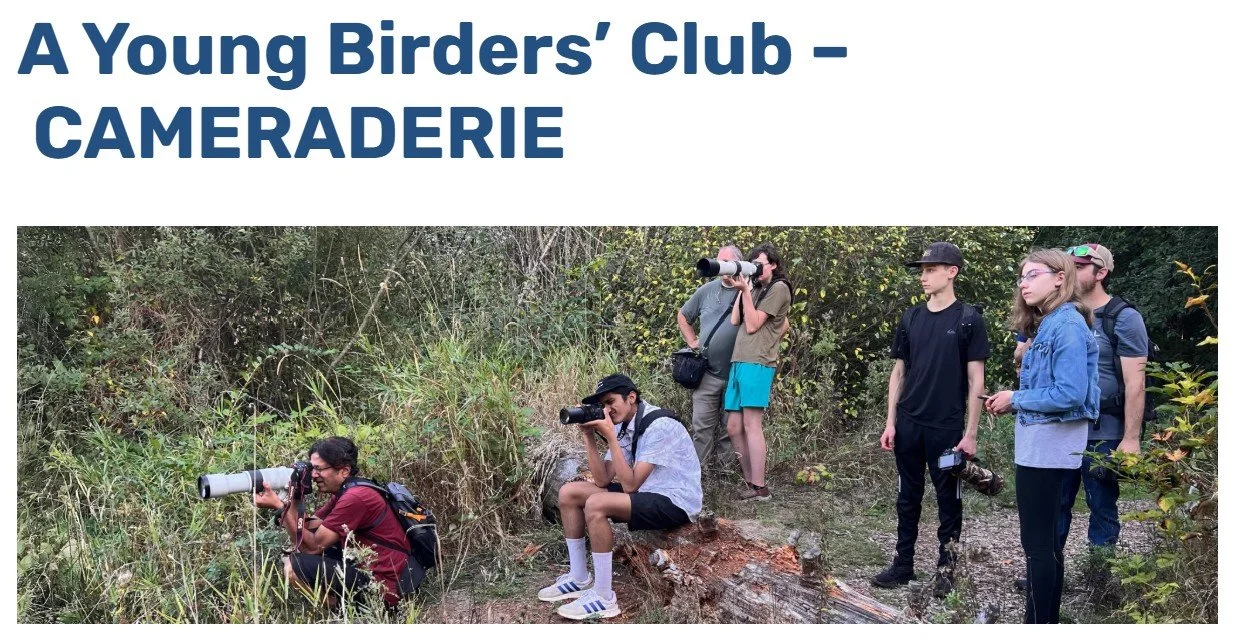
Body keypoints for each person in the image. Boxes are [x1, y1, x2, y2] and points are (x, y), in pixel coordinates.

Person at [985, 248, 1100, 624]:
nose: (1023, 282)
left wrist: (1015, 398)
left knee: (1038, 547)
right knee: (1047, 545)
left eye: (1033, 274)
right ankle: (1045, 621)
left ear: (1059, 278)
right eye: (1022, 276)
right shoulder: (1051, 322)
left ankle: (1037, 624)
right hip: (1043, 445)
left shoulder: (1065, 325)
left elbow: (1070, 392)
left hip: (1049, 448)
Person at [874, 241, 989, 598]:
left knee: (947, 499)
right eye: (922, 270)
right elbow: (899, 372)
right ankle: (903, 564)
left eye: (930, 270)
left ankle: (946, 569)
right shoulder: (911, 317)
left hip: (947, 428)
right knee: (907, 496)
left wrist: (971, 433)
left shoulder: (969, 318)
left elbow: (976, 381)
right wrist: (890, 421)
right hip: (908, 423)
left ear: (951, 272)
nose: (923, 277)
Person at [540, 374, 702, 620]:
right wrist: (590, 436)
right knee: (569, 493)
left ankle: (604, 597)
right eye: (602, 405)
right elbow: (603, 479)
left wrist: (612, 437)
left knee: (596, 503)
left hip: (675, 500)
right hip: (647, 493)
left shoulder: (660, 425)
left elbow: (629, 484)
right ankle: (579, 577)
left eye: (610, 401)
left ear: (631, 397)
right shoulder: (625, 425)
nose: (606, 409)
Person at [252, 437, 417, 609]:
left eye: (318, 469)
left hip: (386, 589)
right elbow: (309, 526)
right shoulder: (347, 491)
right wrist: (294, 495)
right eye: (311, 468)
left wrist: (280, 507)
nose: (313, 475)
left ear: (344, 470)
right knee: (300, 556)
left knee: (293, 566)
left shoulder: (356, 497)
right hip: (376, 574)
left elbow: (311, 546)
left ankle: (339, 611)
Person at [1058, 243, 1149, 549]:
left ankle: (1101, 580)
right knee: (1054, 505)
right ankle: (1046, 577)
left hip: (1105, 430)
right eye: (1069, 266)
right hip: (1062, 428)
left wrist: (1131, 438)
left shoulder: (1123, 317)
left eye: (1080, 267)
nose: (1072, 272)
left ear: (1101, 272)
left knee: (1102, 507)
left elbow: (1135, 382)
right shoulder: (1059, 313)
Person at [725, 243, 792, 501]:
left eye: (761, 264)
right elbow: (735, 321)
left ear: (774, 264)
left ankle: (759, 486)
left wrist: (745, 290)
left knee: (751, 424)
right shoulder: (758, 289)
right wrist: (745, 288)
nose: (757, 268)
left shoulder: (779, 288)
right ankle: (750, 481)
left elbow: (752, 325)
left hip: (758, 362)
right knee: (733, 426)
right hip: (739, 360)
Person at [677, 244, 743, 471]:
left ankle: (726, 475)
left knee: (730, 428)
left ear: (737, 264)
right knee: (701, 427)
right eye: (718, 262)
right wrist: (693, 342)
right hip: (708, 374)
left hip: (737, 374)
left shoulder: (749, 291)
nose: (720, 267)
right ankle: (699, 475)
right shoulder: (707, 290)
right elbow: (683, 315)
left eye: (725, 262)